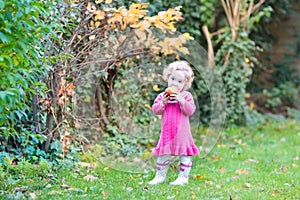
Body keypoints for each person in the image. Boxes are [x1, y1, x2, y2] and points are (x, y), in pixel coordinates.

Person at [148, 60, 199, 185]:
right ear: (168, 78)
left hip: (182, 134)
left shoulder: (186, 96)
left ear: (185, 84)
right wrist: (162, 103)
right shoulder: (162, 96)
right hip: (167, 133)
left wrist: (181, 101)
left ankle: (183, 178)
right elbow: (156, 110)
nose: (175, 83)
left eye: (180, 81)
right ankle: (160, 176)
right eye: (173, 79)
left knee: (184, 154)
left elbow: (190, 110)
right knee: (163, 153)